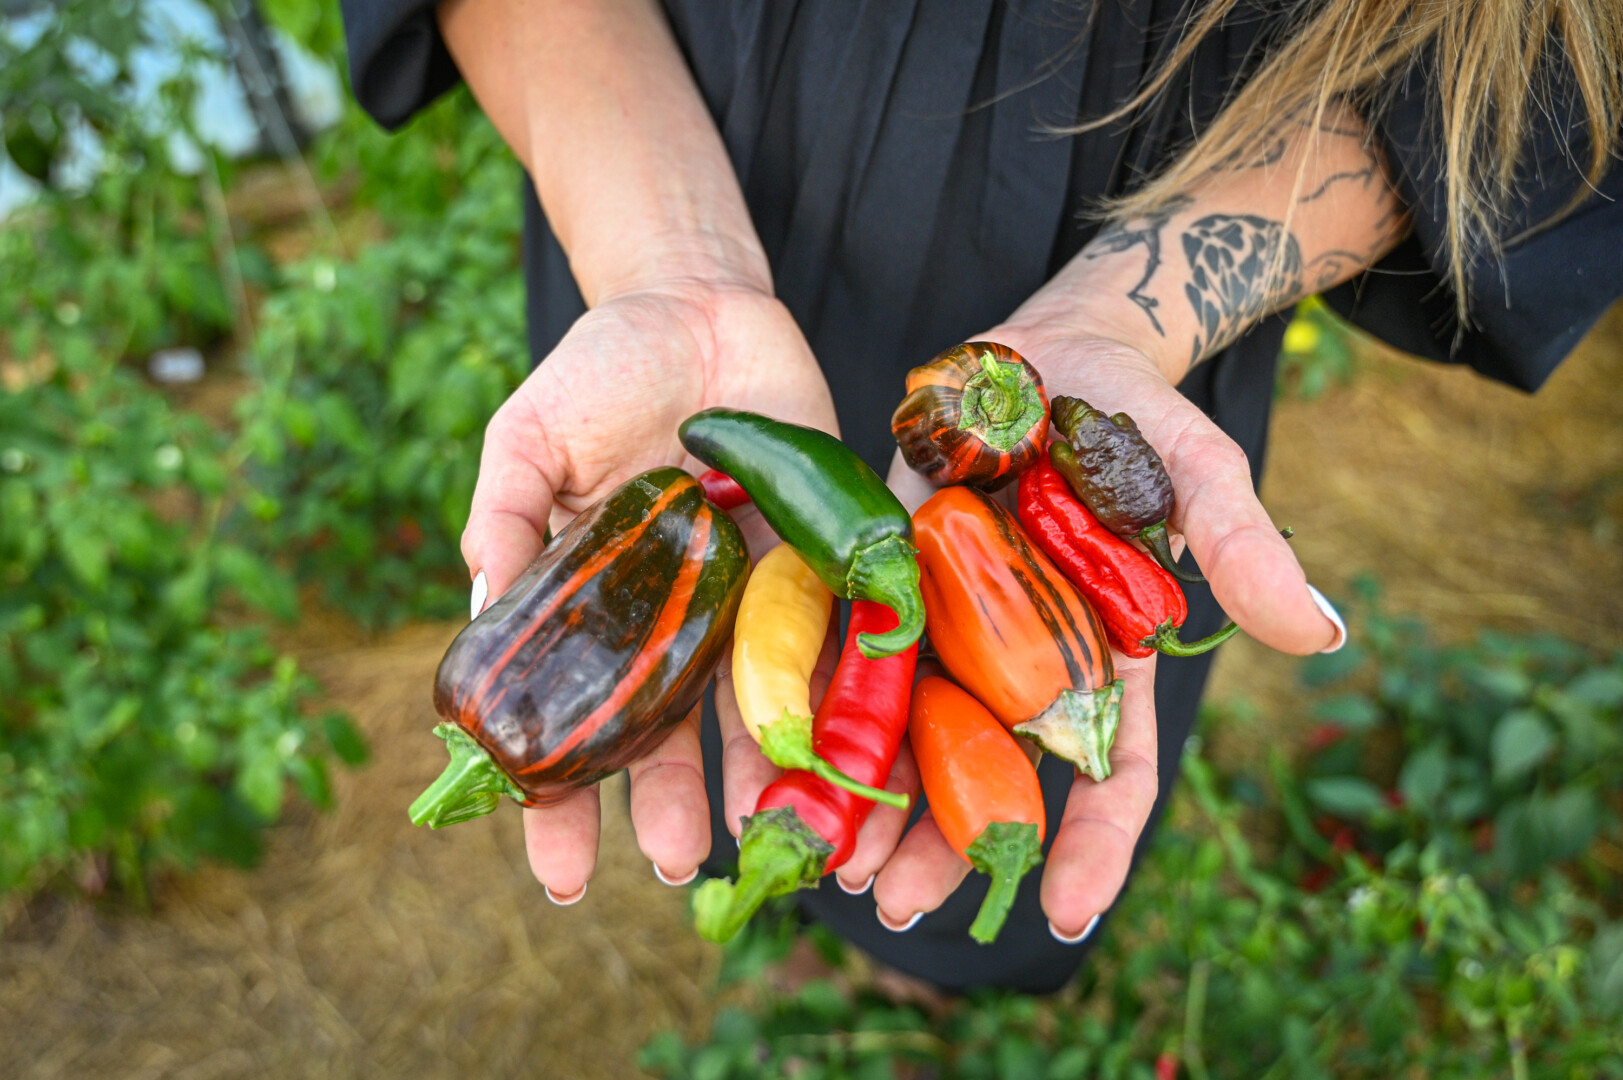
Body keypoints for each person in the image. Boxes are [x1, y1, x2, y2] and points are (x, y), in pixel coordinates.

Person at [339, 0, 1623, 993]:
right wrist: (672, 264)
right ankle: (811, 955)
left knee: (902, 786)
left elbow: (1503, 68)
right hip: (669, 169)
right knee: (735, 713)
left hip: (1104, 289)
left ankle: (915, 984)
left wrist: (1124, 318)